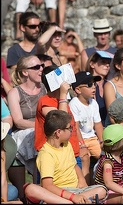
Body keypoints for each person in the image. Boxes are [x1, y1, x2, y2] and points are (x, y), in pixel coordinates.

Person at [31, 110, 108, 204]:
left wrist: (82, 180)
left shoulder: (67, 145)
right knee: (33, 190)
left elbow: (74, 165)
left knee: (101, 190)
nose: (72, 130)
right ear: (58, 132)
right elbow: (48, 186)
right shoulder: (46, 154)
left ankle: (78, 200)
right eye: (69, 128)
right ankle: (76, 201)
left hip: (76, 190)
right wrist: (72, 197)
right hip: (58, 193)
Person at [35, 65, 90, 188]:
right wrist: (63, 94)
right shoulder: (46, 101)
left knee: (77, 187)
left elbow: (72, 124)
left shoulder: (62, 100)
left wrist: (81, 144)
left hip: (70, 152)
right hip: (53, 154)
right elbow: (61, 120)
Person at [7, 55, 47, 199]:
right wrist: (41, 127)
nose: (41, 69)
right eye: (36, 67)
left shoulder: (45, 88)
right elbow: (18, 121)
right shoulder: (15, 92)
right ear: (25, 72)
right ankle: (36, 185)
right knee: (34, 136)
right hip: (24, 132)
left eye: (41, 66)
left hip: (46, 131)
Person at [69, 71, 104, 184]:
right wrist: (82, 144)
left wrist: (102, 141)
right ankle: (86, 186)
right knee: (85, 158)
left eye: (94, 84)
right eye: (89, 85)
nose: (93, 87)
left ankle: (103, 183)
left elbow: (98, 124)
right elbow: (76, 127)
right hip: (79, 139)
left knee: (105, 157)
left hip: (92, 138)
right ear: (78, 90)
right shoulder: (74, 104)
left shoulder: (93, 102)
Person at [85, 50, 113, 127]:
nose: (107, 65)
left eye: (108, 63)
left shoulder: (110, 84)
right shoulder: (85, 85)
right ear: (92, 64)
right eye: (103, 62)